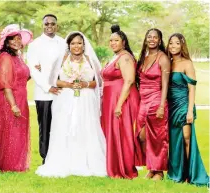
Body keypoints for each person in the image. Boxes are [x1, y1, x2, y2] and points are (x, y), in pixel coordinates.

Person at [35, 31, 107, 177]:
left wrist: (84, 83)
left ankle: (89, 161)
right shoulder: (62, 59)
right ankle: (64, 161)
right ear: (68, 45)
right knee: (65, 127)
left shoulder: (89, 59)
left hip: (86, 99)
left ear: (83, 45)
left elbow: (98, 82)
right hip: (66, 98)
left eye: (79, 43)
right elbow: (53, 80)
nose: (76, 46)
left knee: (86, 126)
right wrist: (68, 84)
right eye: (73, 43)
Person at [166, 33, 209, 185]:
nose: (173, 46)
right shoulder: (167, 62)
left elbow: (192, 89)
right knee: (174, 141)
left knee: (186, 138)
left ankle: (190, 174)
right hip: (171, 106)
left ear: (182, 45)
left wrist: (190, 110)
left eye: (176, 43)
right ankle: (178, 172)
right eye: (171, 43)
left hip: (184, 104)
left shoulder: (187, 63)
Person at [101, 24, 140, 179]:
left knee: (121, 132)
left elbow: (129, 80)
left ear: (123, 42)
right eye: (110, 41)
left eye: (116, 40)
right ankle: (113, 164)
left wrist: (118, 105)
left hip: (121, 99)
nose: (112, 43)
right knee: (113, 132)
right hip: (111, 99)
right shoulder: (115, 57)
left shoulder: (124, 57)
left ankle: (124, 168)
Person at [26, 14, 64, 164]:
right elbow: (34, 70)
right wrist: (49, 87)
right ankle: (46, 158)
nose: (49, 26)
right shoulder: (35, 45)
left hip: (62, 92)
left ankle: (60, 156)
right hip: (43, 94)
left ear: (57, 25)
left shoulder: (63, 43)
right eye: (46, 23)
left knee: (61, 125)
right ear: (42, 25)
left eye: (52, 24)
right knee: (45, 126)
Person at [0, 24, 33, 172]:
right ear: (7, 42)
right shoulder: (5, 57)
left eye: (19, 39)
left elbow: (22, 78)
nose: (17, 41)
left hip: (21, 97)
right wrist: (13, 105)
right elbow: (5, 84)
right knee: (11, 130)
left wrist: (34, 71)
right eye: (13, 39)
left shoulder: (17, 56)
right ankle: (8, 165)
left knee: (19, 130)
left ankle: (18, 163)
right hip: (10, 98)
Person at [135, 28, 170, 180]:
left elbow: (165, 84)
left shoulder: (162, 58)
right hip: (143, 101)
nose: (151, 39)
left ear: (160, 40)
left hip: (157, 99)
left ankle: (159, 171)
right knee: (142, 136)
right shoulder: (144, 57)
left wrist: (162, 106)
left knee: (157, 137)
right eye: (149, 36)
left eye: (155, 37)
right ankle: (151, 167)